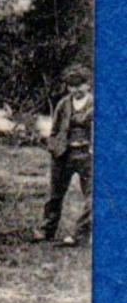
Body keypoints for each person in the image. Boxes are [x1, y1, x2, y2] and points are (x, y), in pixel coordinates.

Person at [40, 64, 93, 245]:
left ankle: (79, 234)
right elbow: (54, 130)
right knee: (55, 195)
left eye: (79, 85)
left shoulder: (96, 104)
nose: (75, 90)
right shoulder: (63, 104)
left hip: (88, 155)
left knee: (93, 197)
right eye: (71, 85)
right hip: (64, 155)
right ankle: (46, 229)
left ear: (88, 85)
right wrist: (54, 149)